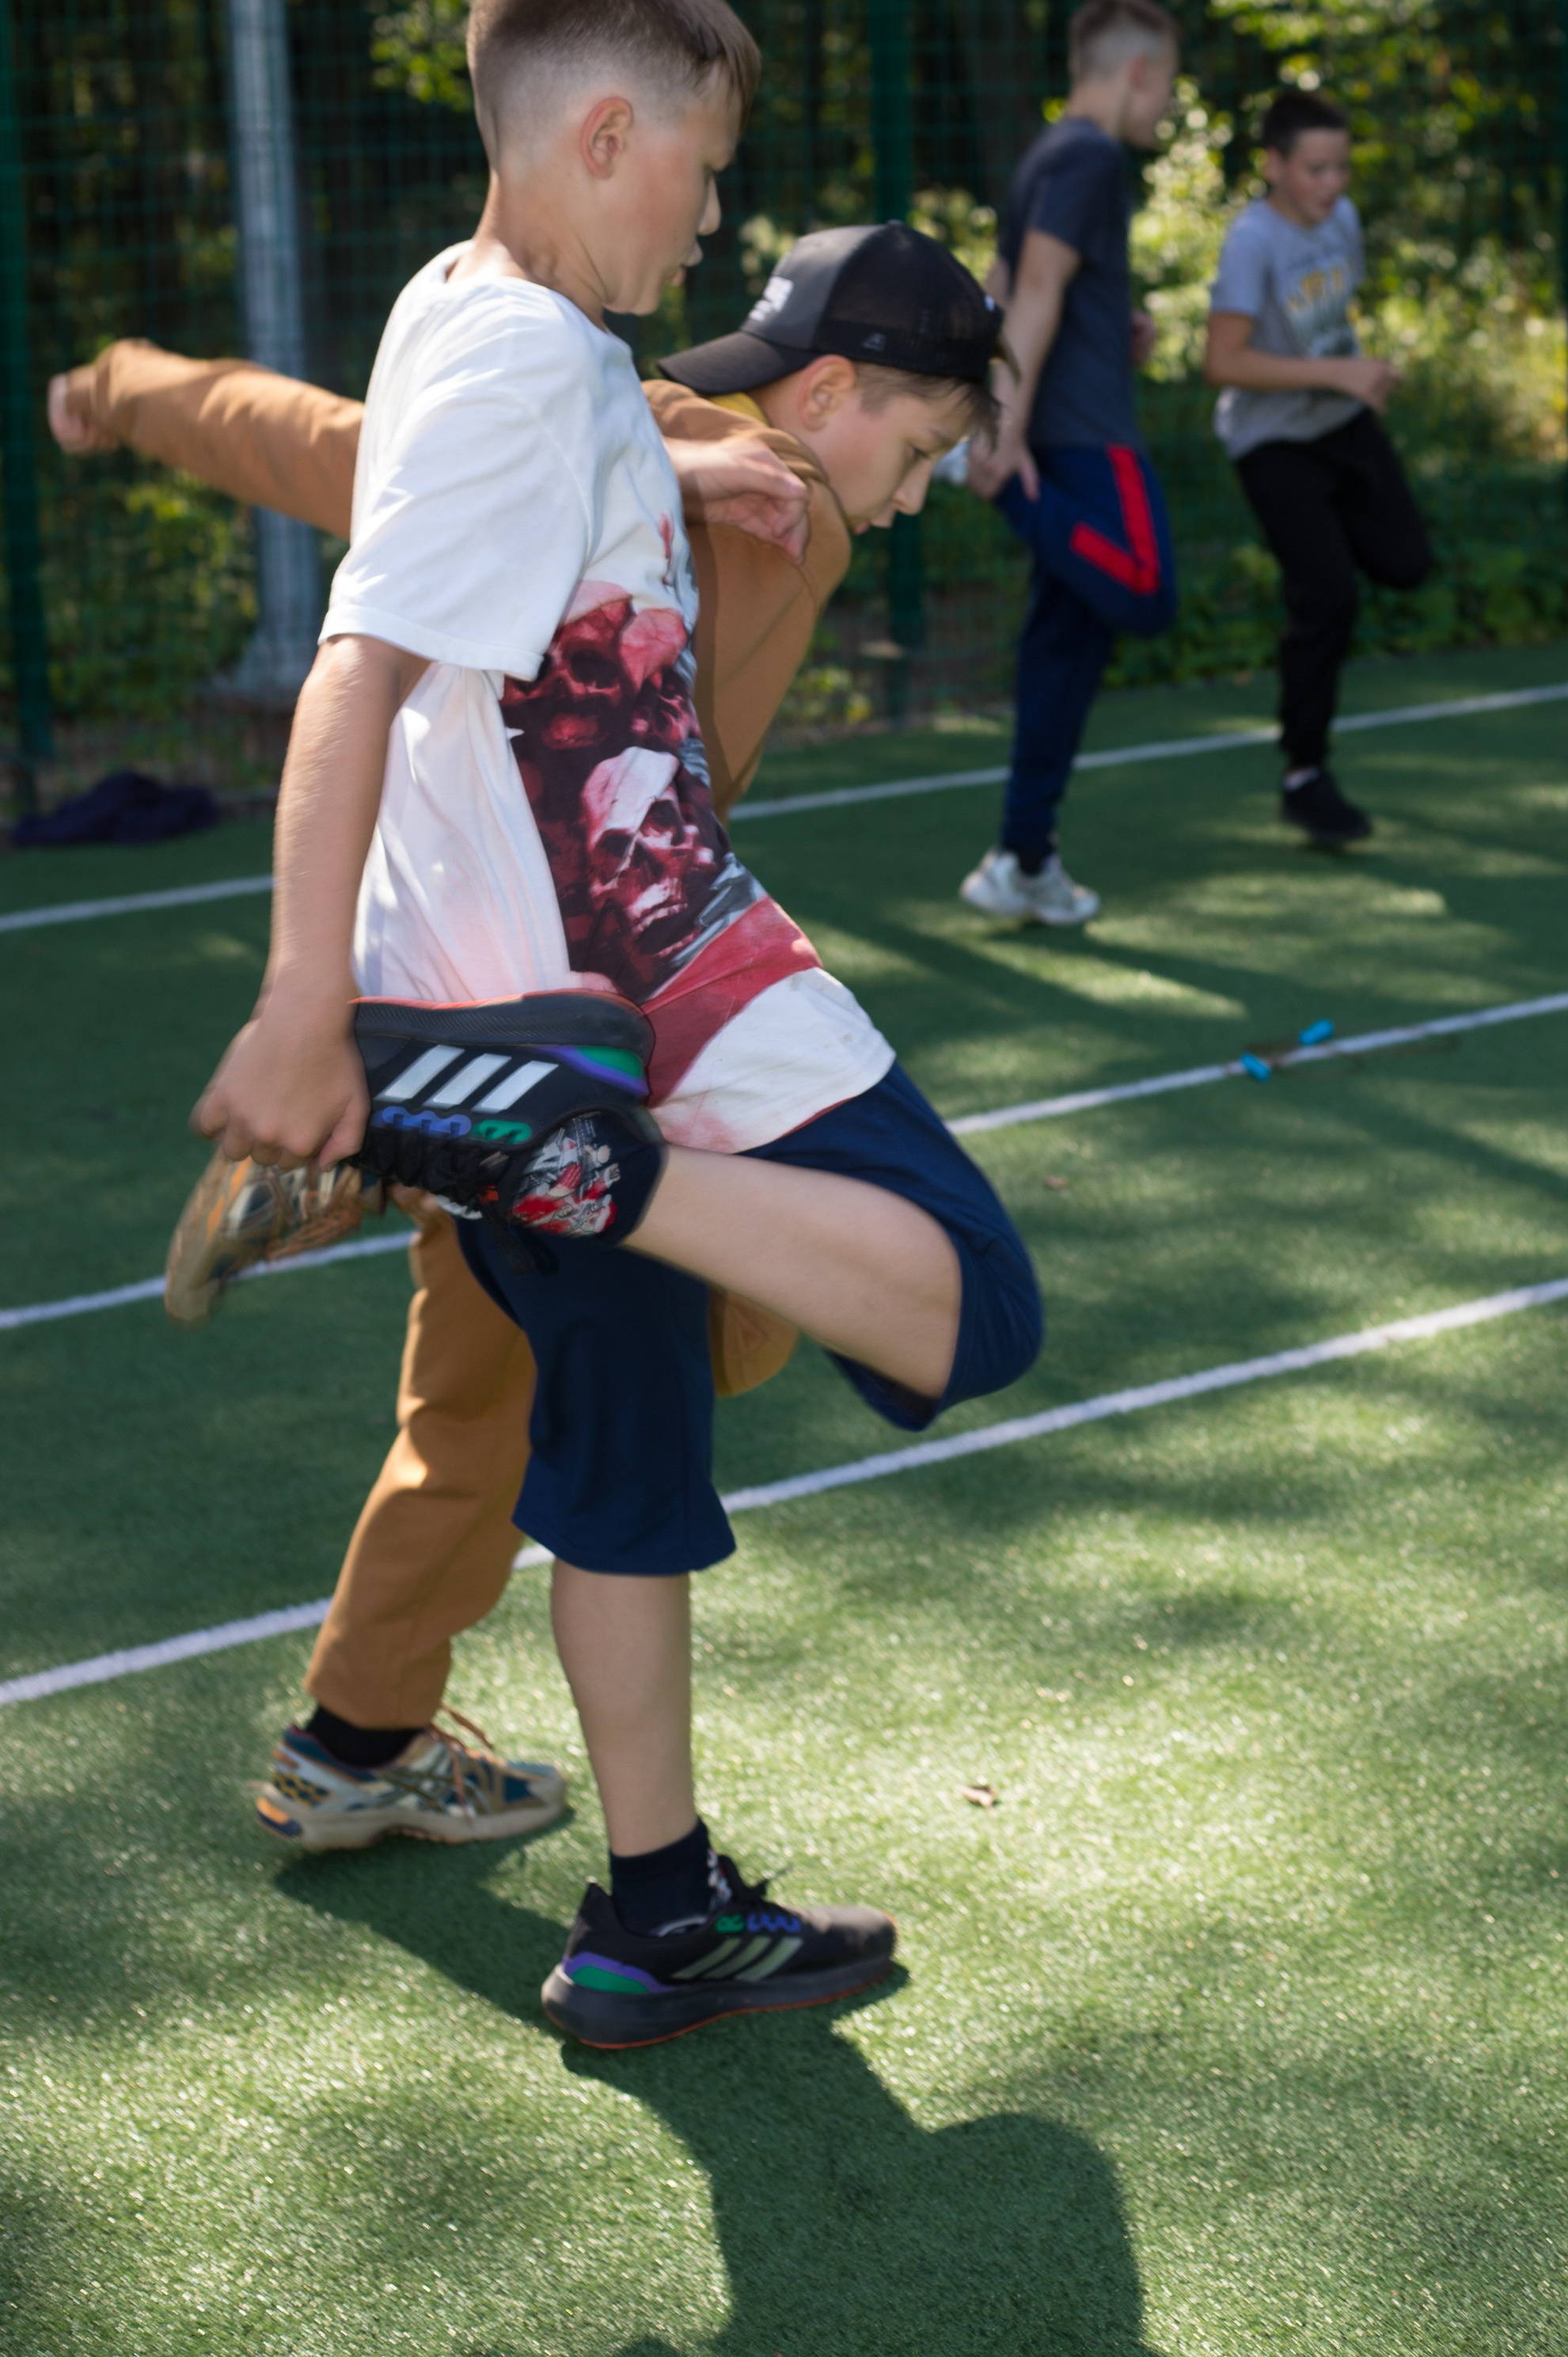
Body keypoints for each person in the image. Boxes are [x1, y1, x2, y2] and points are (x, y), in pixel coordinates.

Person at [176, 0, 1043, 2045]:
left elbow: (473, 506)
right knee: (968, 1294)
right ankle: (571, 1164)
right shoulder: (539, 352)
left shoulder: (474, 322)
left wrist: (678, 452)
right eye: (698, 164)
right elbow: (353, 676)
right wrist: (308, 1009)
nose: (713, 210)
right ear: (593, 135)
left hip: (512, 1005)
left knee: (632, 1447)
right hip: (624, 990)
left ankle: (651, 1909)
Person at [51, 220, 991, 1872]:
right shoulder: (672, 461)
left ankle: (358, 1740)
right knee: (684, 1336)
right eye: (914, 452)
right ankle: (358, 1142)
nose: (910, 496)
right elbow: (348, 458)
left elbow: (344, 448)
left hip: (538, 1010)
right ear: (828, 385)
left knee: (487, 1395)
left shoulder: (672, 443)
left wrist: (134, 390)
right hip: (535, 1025)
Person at [958, 0, 1183, 927]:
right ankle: (982, 483)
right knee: (1143, 588)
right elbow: (1036, 290)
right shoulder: (1090, 156)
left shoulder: (1049, 152)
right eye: (1166, 85)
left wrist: (1110, 324)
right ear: (1135, 72)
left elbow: (1007, 287)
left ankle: (1023, 857)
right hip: (1084, 437)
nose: (1166, 106)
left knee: (1064, 649)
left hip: (1067, 417)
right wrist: (996, 436)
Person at [1203, 89, 1432, 847]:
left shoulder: (1343, 222)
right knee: (1327, 597)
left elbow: (1329, 323)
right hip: (1272, 441)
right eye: (1314, 169)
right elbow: (1222, 360)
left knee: (1406, 564)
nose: (1332, 184)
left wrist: (1353, 376)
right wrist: (1336, 375)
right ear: (1273, 167)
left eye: (1340, 168)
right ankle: (1306, 775)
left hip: (1341, 423)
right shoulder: (1251, 242)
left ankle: (1325, 554)